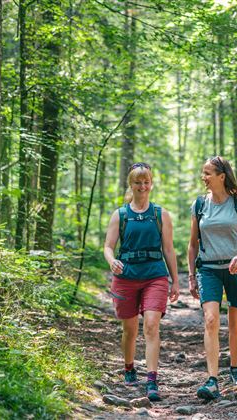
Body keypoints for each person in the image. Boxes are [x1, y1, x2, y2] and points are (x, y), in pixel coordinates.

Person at [104, 162, 179, 402]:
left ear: (151, 184)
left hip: (155, 275)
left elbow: (168, 249)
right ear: (131, 184)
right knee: (129, 330)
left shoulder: (160, 214)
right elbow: (108, 246)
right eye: (138, 182)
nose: (142, 186)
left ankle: (152, 380)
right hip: (125, 277)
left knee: (151, 325)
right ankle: (129, 368)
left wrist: (175, 281)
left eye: (146, 182)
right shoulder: (121, 214)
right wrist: (111, 261)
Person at [187, 156, 237, 400]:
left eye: (207, 173)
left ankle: (235, 368)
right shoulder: (199, 205)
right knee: (211, 319)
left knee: (235, 321)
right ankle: (212, 379)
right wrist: (192, 276)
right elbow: (192, 245)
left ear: (221, 176)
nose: (203, 177)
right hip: (209, 269)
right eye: (202, 173)